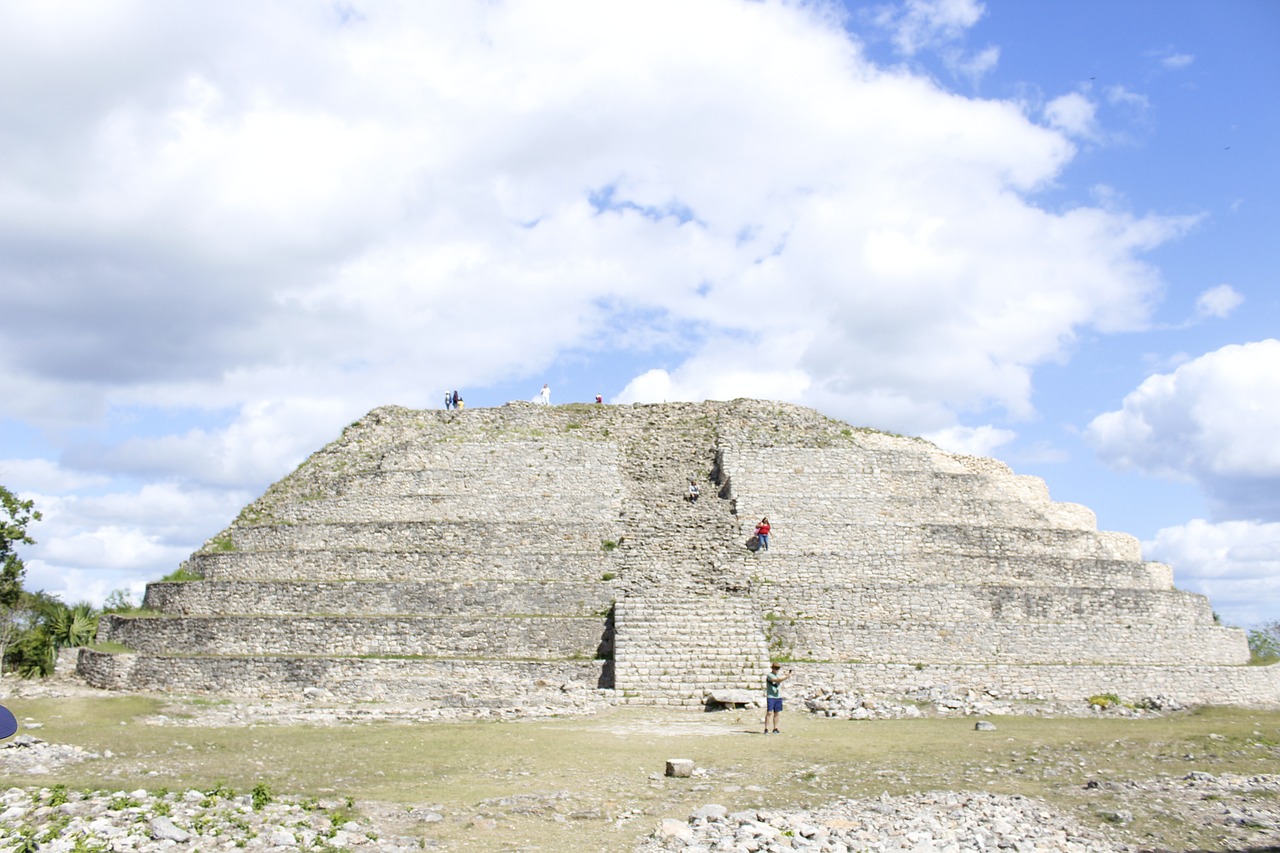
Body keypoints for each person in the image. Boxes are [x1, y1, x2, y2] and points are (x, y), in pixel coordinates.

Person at [764, 662, 792, 734]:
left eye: (778, 668)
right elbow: (777, 680)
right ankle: (766, 728)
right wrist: (786, 676)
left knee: (777, 713)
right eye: (775, 668)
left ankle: (775, 728)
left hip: (778, 696)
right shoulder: (770, 675)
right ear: (772, 668)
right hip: (771, 696)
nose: (776, 670)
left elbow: (779, 679)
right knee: (769, 712)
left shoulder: (777, 676)